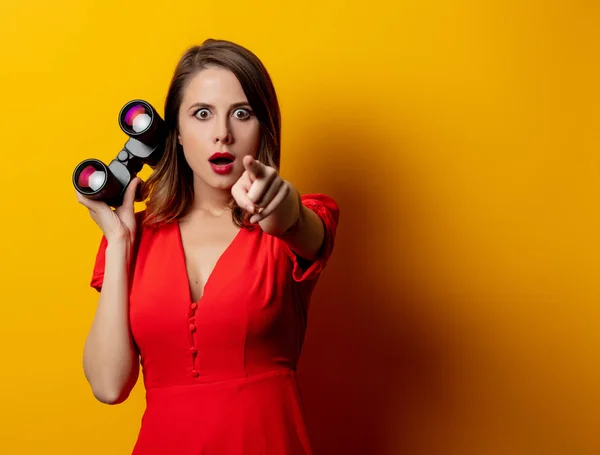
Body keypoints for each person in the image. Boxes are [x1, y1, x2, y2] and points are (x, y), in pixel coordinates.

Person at [75, 38, 340, 454]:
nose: (222, 134)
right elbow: (109, 386)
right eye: (202, 114)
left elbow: (298, 224)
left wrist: (280, 208)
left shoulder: (296, 222)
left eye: (241, 113)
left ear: (263, 128)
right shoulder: (136, 237)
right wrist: (119, 241)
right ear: (175, 134)